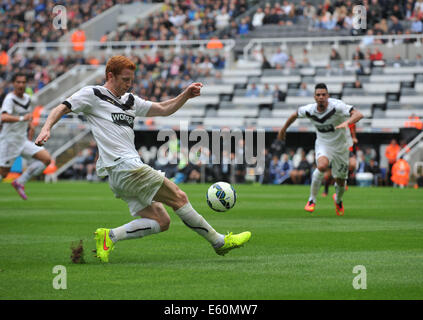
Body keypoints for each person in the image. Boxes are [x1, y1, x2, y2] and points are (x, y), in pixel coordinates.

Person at [35, 56, 251, 263]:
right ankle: (218, 242)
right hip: (124, 166)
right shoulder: (93, 94)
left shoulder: (130, 100)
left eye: (131, 81)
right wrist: (46, 128)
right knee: (179, 197)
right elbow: (61, 107)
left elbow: (164, 108)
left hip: (122, 173)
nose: (128, 85)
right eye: (124, 80)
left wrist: (185, 95)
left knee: (162, 221)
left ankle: (110, 236)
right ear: (110, 75)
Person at [277, 83, 363, 215]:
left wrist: (347, 122)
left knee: (340, 180)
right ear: (314, 97)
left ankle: (338, 200)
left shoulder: (337, 106)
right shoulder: (310, 110)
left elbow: (358, 114)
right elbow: (294, 115)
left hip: (341, 146)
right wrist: (283, 129)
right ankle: (312, 200)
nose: (321, 97)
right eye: (318, 95)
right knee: (322, 166)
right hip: (324, 144)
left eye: (324, 94)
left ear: (328, 96)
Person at [0, 73, 52, 200]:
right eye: (18, 82)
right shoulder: (9, 99)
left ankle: (20, 182)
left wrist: (31, 125)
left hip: (22, 140)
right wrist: (23, 118)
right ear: (13, 84)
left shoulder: (27, 99)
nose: (21, 85)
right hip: (9, 141)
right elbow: (3, 117)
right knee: (3, 174)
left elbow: (27, 115)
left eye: (23, 82)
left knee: (46, 159)